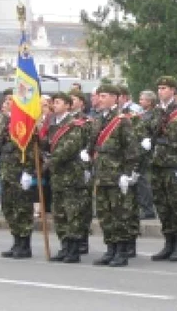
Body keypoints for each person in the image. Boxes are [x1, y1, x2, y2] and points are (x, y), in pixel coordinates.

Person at [88, 84, 141, 267]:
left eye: (103, 96)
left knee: (120, 215)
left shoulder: (121, 121)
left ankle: (121, 251)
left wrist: (127, 174)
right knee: (105, 215)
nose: (100, 99)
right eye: (99, 96)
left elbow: (132, 150)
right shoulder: (98, 119)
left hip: (117, 176)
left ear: (114, 98)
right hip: (102, 175)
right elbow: (93, 146)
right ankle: (110, 249)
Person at [146, 76, 177, 262]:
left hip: (174, 164)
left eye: (164, 88)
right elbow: (147, 131)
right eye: (159, 88)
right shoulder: (155, 111)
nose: (161, 91)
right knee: (162, 206)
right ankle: (168, 243)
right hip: (157, 164)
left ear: (173, 90)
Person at [45, 92, 88, 264]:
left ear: (68, 105)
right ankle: (64, 246)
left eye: (58, 102)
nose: (54, 105)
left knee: (72, 212)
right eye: (53, 102)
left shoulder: (74, 125)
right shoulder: (52, 124)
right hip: (57, 175)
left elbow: (69, 148)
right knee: (60, 213)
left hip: (71, 174)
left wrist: (49, 161)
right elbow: (47, 145)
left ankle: (74, 249)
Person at [0, 88, 35, 259]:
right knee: (9, 207)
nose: (6, 103)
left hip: (19, 171)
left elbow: (32, 149)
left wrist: (28, 171)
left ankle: (25, 245)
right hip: (6, 170)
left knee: (22, 209)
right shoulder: (4, 120)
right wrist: (4, 116)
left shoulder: (26, 121)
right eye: (5, 100)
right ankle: (16, 241)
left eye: (10, 100)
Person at [69, 88, 94, 255]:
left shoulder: (86, 121)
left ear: (82, 103)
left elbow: (91, 142)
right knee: (69, 206)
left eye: (74, 99)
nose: (71, 101)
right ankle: (72, 240)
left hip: (82, 166)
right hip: (67, 168)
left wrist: (87, 164)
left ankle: (83, 239)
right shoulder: (64, 120)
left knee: (83, 205)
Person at [134, 90, 157, 221]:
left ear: (149, 101)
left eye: (142, 99)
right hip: (140, 150)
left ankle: (148, 210)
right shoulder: (143, 114)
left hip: (148, 151)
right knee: (140, 180)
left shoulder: (153, 115)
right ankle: (144, 207)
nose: (140, 101)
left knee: (144, 181)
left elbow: (153, 131)